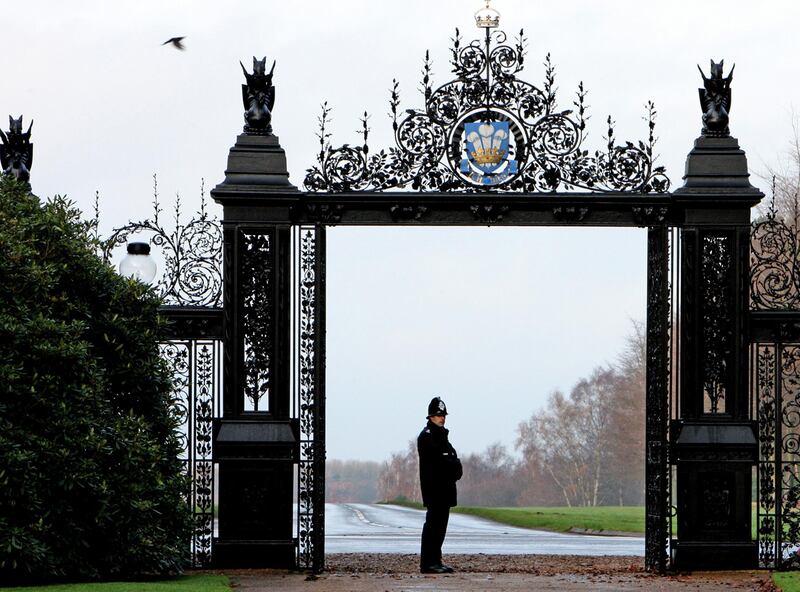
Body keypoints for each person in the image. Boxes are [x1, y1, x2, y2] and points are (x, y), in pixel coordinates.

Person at [417, 396, 462, 574]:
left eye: (443, 415)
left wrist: (452, 464)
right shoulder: (427, 437)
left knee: (440, 527)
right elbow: (440, 463)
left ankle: (435, 560)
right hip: (435, 489)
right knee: (433, 527)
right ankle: (428, 562)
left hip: (446, 490)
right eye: (437, 415)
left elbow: (454, 463)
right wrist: (451, 463)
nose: (441, 418)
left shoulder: (442, 437)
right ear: (430, 417)